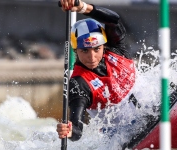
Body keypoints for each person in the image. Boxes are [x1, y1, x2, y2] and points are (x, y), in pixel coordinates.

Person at [56, 0, 137, 142]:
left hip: (149, 106)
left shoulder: (116, 48)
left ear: (104, 45)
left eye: (96, 49)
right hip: (120, 134)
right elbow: (77, 131)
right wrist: (69, 130)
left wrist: (83, 7)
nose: (92, 57)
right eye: (84, 50)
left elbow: (114, 19)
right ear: (76, 50)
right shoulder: (78, 83)